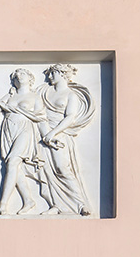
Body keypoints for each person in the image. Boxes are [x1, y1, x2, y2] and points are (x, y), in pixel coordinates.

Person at [0, 69, 47, 216]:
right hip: (8, 130)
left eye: (22, 74)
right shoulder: (11, 95)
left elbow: (40, 117)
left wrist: (48, 136)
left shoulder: (35, 97)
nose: (19, 76)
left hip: (25, 129)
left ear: (30, 78)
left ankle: (3, 205)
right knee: (12, 166)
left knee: (12, 162)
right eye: (16, 75)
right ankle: (28, 200)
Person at [36, 63, 95, 216]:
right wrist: (45, 134)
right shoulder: (44, 92)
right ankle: (56, 204)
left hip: (59, 134)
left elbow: (70, 117)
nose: (49, 77)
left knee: (62, 168)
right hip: (43, 134)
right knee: (46, 170)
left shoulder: (71, 95)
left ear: (62, 74)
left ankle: (81, 204)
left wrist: (53, 134)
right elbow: (37, 113)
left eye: (52, 74)